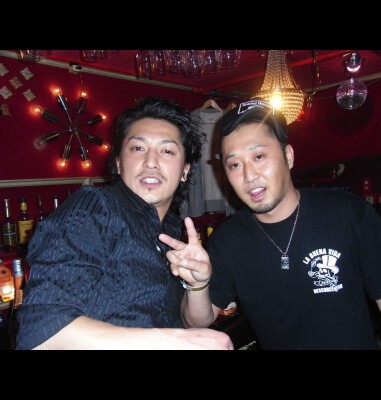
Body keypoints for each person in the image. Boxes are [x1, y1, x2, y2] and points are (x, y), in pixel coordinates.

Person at [159, 98, 381, 350]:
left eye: (259, 156)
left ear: (288, 156)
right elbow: (196, 322)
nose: (249, 176)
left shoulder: (347, 212)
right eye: (235, 164)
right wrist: (197, 285)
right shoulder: (228, 239)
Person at [16, 97, 233, 350]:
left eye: (167, 151)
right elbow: (40, 333)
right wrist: (173, 341)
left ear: (185, 170)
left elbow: (193, 322)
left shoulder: (171, 229)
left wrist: (197, 285)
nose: (151, 162)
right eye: (138, 148)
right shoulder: (94, 208)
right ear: (119, 163)